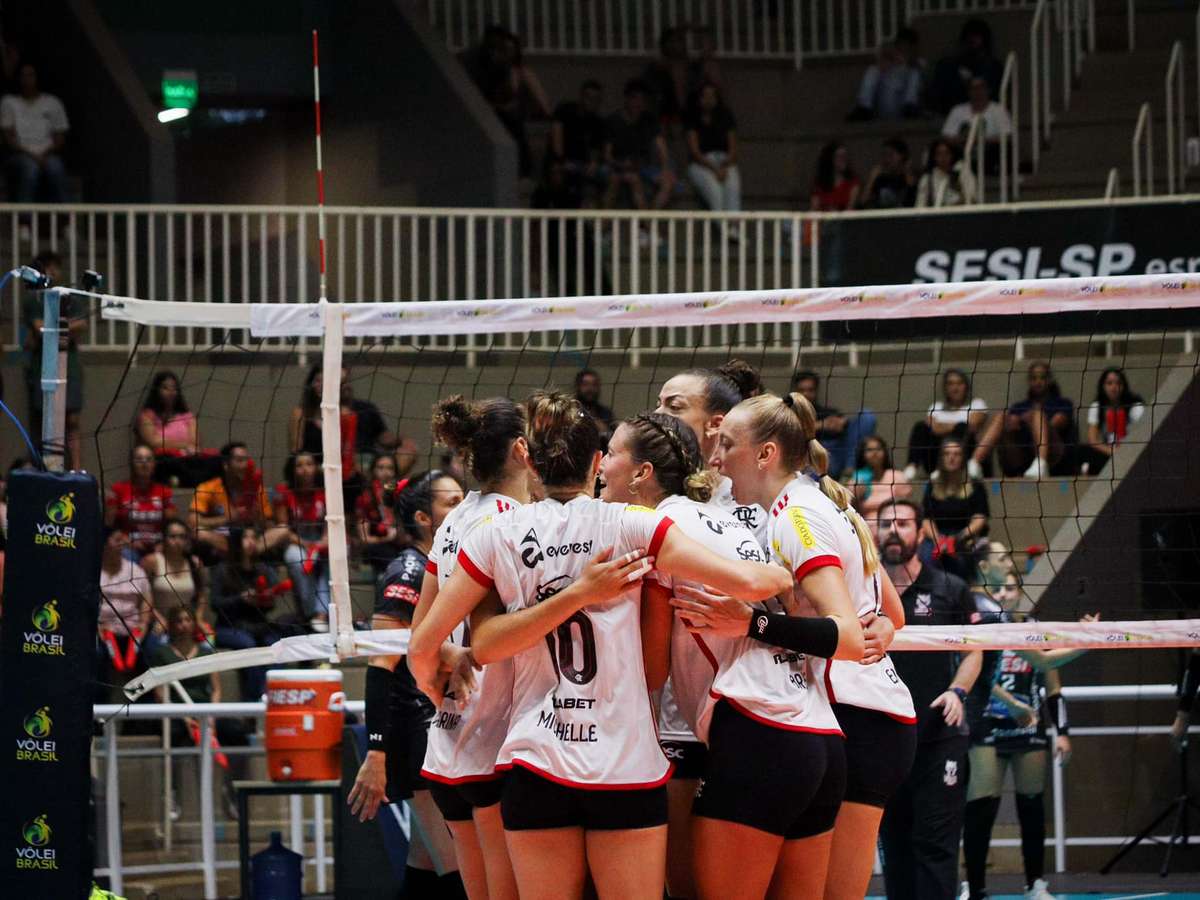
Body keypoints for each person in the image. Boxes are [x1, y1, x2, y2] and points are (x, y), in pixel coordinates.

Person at [408, 391, 793, 900]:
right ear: (595, 462)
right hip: (625, 764)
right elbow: (713, 614)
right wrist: (783, 574)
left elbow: (430, 647)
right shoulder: (635, 525)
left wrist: (435, 684)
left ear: (531, 460)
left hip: (536, 759)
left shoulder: (496, 533)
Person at [683, 391, 909, 900]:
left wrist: (752, 624)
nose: (716, 459)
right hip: (865, 711)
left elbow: (846, 634)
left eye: (728, 445)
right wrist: (879, 626)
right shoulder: (816, 502)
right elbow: (891, 614)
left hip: (857, 712)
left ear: (766, 454)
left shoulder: (795, 516)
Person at [412, 396, 533, 900]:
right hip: (496, 734)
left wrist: (439, 672)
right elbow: (494, 636)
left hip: (447, 738)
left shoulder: (456, 517)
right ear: (523, 450)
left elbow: (421, 636)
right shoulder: (515, 521)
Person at [348, 470, 467, 896]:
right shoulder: (407, 572)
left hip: (433, 724)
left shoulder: (446, 567)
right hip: (415, 732)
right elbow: (380, 667)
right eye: (452, 503)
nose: (464, 509)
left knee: (425, 861)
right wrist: (375, 752)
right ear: (423, 518)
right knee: (458, 871)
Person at [962, 566, 1092, 900]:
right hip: (988, 724)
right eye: (997, 590)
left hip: (1029, 728)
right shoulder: (984, 626)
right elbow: (977, 679)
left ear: (1020, 593)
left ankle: (1035, 883)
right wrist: (1011, 705)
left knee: (1031, 807)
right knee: (981, 808)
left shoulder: (1032, 630)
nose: (1003, 595)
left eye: (1009, 589)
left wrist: (1062, 731)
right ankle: (974, 886)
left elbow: (1052, 683)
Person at [875, 498, 982, 900]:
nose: (893, 530)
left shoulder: (950, 588)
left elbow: (975, 649)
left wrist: (958, 690)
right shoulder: (864, 593)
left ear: (920, 533)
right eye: (886, 523)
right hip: (885, 738)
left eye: (903, 523)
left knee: (936, 845)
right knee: (895, 847)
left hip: (939, 737)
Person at [149, 605, 249, 819]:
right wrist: (185, 718)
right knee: (172, 735)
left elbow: (216, 689)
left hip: (205, 711)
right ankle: (172, 794)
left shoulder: (205, 652)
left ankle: (233, 791)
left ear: (194, 623)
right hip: (177, 713)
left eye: (187, 620)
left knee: (237, 732)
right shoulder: (161, 654)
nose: (184, 625)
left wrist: (210, 716)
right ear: (171, 625)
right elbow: (160, 694)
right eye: (179, 621)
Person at [653, 359, 767, 541]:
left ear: (715, 424)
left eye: (674, 407)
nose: (657, 414)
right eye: (658, 404)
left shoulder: (753, 502)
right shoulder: (650, 484)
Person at [210, 529, 300, 702]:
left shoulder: (263, 569)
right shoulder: (223, 569)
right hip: (228, 627)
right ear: (236, 542)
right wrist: (241, 599)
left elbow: (272, 602)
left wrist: (264, 600)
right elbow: (215, 604)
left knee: (277, 645)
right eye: (245, 537)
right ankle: (253, 700)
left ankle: (273, 695)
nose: (250, 541)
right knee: (248, 645)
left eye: (254, 537)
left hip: (257, 626)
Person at [22, 252, 84, 469]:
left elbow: (81, 325)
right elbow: (40, 329)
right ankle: (43, 468)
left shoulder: (69, 297)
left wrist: (51, 328)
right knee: (43, 420)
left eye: (55, 267)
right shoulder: (33, 300)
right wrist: (64, 328)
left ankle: (76, 469)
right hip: (43, 367)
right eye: (47, 268)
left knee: (72, 420)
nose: (52, 272)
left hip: (69, 366)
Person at [467, 26, 551, 177]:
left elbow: (542, 104)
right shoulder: (488, 69)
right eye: (504, 49)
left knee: (512, 125)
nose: (507, 53)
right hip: (494, 115)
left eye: (510, 49)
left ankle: (523, 170)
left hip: (512, 116)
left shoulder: (520, 72)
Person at [976, 361, 1076, 478]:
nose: (1038, 382)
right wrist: (1012, 424)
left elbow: (1058, 422)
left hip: (1054, 454)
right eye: (1034, 378)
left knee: (1037, 414)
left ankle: (1041, 463)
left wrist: (1033, 420)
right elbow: (1009, 429)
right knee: (1001, 416)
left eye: (1042, 378)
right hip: (1021, 454)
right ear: (1029, 381)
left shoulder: (1062, 403)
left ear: (1049, 380)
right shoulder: (1019, 407)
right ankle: (975, 463)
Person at [190, 442, 286, 560]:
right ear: (226, 465)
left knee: (282, 530)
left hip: (251, 538)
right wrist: (227, 518)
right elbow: (193, 521)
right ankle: (240, 554)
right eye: (240, 460)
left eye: (246, 460)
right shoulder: (207, 487)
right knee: (198, 532)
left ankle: (243, 553)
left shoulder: (256, 488)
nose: (245, 465)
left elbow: (269, 525)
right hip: (223, 539)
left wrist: (258, 518)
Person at [274, 451, 330, 631]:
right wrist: (306, 545)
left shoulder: (326, 490)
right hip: (296, 540)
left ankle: (322, 613)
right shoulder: (284, 493)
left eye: (309, 464)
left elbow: (331, 524)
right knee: (296, 558)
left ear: (316, 467)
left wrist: (323, 542)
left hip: (320, 540)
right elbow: (283, 529)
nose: (305, 469)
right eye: (299, 465)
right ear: (292, 470)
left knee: (332, 557)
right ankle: (309, 613)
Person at [136, 371, 222, 487]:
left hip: (188, 459)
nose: (171, 392)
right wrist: (184, 445)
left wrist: (174, 444)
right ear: (157, 390)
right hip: (165, 460)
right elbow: (154, 442)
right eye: (165, 388)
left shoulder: (187, 416)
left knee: (217, 459)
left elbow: (195, 441)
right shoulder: (147, 416)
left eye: (174, 388)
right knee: (166, 461)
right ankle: (190, 480)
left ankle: (183, 480)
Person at [921, 437, 990, 582]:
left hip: (965, 535)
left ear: (963, 458)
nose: (951, 458)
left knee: (961, 559)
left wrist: (957, 538)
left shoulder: (975, 485)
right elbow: (927, 519)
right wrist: (938, 540)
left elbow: (979, 519)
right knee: (926, 555)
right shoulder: (932, 485)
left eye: (956, 454)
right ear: (941, 458)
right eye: (947, 454)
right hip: (937, 535)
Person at [605, 78, 677, 212]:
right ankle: (645, 221)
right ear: (627, 99)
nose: (638, 103)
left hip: (642, 166)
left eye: (642, 100)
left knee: (668, 182)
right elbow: (607, 156)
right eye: (635, 98)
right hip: (618, 167)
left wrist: (665, 168)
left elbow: (661, 147)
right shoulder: (613, 121)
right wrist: (620, 164)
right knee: (633, 179)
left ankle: (650, 219)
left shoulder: (649, 120)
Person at [1, 63, 68, 202]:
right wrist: (33, 156)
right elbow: (8, 138)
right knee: (30, 168)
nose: (27, 79)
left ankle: (64, 214)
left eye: (30, 75)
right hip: (20, 155)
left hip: (47, 154)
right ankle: (24, 215)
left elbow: (60, 137)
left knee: (56, 167)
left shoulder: (52, 102)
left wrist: (43, 154)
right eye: (23, 75)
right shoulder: (9, 102)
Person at [792, 370, 877, 480]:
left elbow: (850, 432)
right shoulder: (788, 413)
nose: (806, 394)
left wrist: (843, 423)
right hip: (815, 459)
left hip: (840, 454)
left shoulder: (827, 412)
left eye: (810, 390)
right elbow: (790, 432)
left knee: (866, 415)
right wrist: (821, 425)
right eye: (802, 390)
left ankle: (849, 469)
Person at [906, 368, 990, 479]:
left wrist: (944, 427)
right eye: (951, 384)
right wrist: (954, 426)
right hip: (936, 456)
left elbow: (972, 425)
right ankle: (912, 468)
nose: (955, 388)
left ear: (966, 386)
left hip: (964, 455)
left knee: (962, 428)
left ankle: (947, 470)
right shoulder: (936, 407)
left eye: (959, 383)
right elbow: (931, 428)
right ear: (945, 388)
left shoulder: (977, 404)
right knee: (920, 427)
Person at [98, 527, 155, 684]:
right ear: (104, 544)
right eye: (117, 540)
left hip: (134, 630)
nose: (122, 543)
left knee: (152, 649)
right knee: (96, 653)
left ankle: (146, 696)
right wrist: (96, 626)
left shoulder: (135, 570)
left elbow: (147, 599)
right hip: (103, 630)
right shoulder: (94, 570)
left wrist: (144, 623)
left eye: (123, 539)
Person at [141, 518, 209, 640]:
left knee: (208, 645)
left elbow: (202, 594)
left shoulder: (195, 563)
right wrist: (159, 619)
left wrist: (198, 618)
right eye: (172, 536)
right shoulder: (151, 561)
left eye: (182, 537)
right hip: (159, 624)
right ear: (164, 539)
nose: (177, 541)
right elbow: (143, 597)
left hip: (186, 625)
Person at [105, 444, 177, 558]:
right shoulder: (118, 489)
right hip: (128, 546)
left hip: (158, 547)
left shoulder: (165, 491)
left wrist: (163, 544)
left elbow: (172, 524)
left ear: (154, 464)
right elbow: (110, 526)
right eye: (139, 459)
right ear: (131, 464)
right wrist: (127, 541)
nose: (144, 463)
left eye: (148, 459)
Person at [685, 81, 741, 213]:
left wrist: (724, 166)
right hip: (701, 164)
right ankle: (722, 225)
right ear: (699, 99)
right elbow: (694, 151)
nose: (708, 100)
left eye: (712, 96)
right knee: (715, 191)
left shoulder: (726, 116)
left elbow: (733, 148)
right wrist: (714, 168)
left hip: (725, 161)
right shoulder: (692, 118)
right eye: (705, 96)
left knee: (733, 188)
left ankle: (734, 224)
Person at [930, 19, 1004, 115]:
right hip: (953, 110)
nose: (973, 41)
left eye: (977, 37)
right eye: (970, 37)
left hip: (984, 112)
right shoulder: (949, 65)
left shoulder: (993, 67)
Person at [550, 80, 609, 202]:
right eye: (589, 97)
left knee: (606, 173)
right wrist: (562, 161)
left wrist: (593, 163)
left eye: (596, 99)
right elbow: (557, 142)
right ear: (581, 97)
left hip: (583, 164)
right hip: (562, 161)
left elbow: (595, 149)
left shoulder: (597, 122)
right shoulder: (565, 111)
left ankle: (600, 211)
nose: (591, 102)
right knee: (559, 172)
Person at [1081, 366, 1145, 475]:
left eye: (1118, 383)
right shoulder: (1097, 407)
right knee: (1084, 452)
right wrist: (1113, 452)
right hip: (1108, 453)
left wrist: (1124, 452)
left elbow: (1142, 436)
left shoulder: (1136, 407)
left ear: (1124, 386)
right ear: (1103, 386)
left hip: (1131, 452)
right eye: (1109, 383)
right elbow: (1093, 440)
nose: (1114, 387)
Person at [941, 77, 1012, 174]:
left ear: (988, 90)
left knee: (1001, 149)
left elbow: (1007, 136)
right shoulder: (957, 110)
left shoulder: (999, 110)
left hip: (988, 151)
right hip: (963, 149)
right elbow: (946, 136)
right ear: (968, 92)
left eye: (981, 87)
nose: (977, 91)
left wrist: (980, 141)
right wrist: (963, 140)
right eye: (973, 88)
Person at [847, 39, 922, 122]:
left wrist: (901, 64)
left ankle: (910, 107)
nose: (887, 60)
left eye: (890, 57)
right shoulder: (875, 72)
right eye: (885, 57)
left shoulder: (908, 71)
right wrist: (882, 68)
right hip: (879, 112)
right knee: (872, 71)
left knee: (914, 73)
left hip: (902, 110)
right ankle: (864, 108)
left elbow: (918, 66)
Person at [355, 453, 405, 575]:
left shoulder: (402, 495)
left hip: (399, 544)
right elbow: (365, 539)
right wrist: (385, 538)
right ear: (373, 471)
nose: (385, 473)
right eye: (380, 468)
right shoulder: (365, 498)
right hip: (377, 547)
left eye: (390, 468)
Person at [851, 435, 912, 521]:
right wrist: (856, 496)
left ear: (885, 452)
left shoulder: (897, 477)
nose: (875, 453)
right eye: (869, 450)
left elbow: (906, 507)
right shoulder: (857, 479)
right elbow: (851, 510)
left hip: (893, 523)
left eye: (878, 449)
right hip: (864, 524)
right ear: (863, 454)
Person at [643, 27, 690, 126]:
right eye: (672, 42)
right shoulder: (657, 67)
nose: (676, 45)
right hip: (666, 109)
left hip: (685, 109)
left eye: (679, 41)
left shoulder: (689, 66)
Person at [915, 137, 975, 208]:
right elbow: (920, 206)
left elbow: (972, 197)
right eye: (939, 154)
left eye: (947, 153)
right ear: (934, 157)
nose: (943, 157)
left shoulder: (962, 172)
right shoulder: (927, 179)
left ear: (952, 155)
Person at [859, 137, 916, 209]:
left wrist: (907, 171)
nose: (887, 159)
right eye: (885, 155)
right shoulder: (881, 178)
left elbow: (913, 199)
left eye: (891, 155)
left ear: (902, 156)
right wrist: (872, 178)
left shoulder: (909, 177)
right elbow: (863, 202)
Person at [810, 140, 860, 212]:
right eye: (839, 156)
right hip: (823, 217)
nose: (843, 159)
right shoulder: (820, 183)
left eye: (845, 156)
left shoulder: (852, 181)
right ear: (830, 159)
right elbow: (814, 209)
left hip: (843, 218)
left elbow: (850, 209)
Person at [574, 368, 615, 447]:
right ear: (578, 386)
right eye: (585, 384)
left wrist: (604, 430)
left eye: (594, 385)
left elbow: (612, 439)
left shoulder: (605, 413)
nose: (590, 389)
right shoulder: (569, 410)